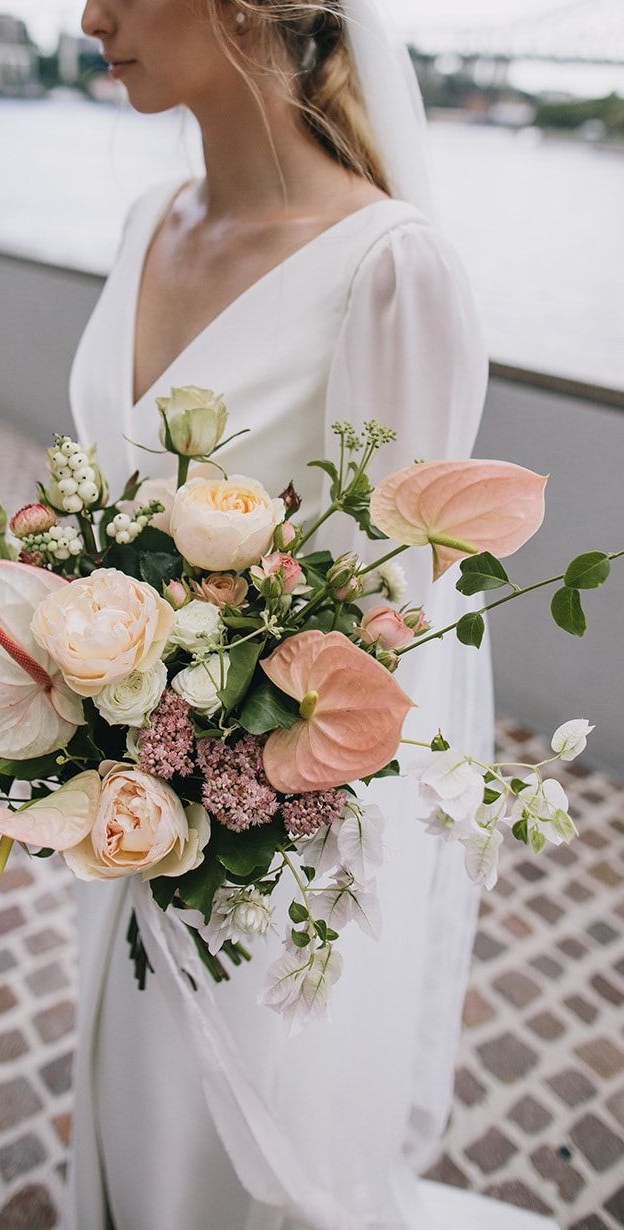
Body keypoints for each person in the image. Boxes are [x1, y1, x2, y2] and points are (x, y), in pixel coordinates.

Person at [64, 3, 551, 1228]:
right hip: (115, 809)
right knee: (122, 1108)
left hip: (257, 865)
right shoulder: (141, 225)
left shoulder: (389, 269)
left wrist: (214, 788)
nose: (87, 17)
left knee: (214, 1154)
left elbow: (396, 639)